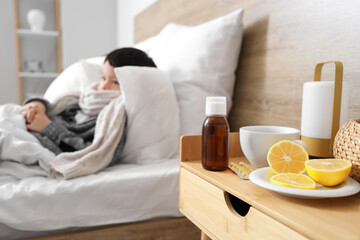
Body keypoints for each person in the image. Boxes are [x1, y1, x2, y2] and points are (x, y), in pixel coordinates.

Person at [21, 47, 157, 161]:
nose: (103, 87)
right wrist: (37, 104)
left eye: (114, 82)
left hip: (36, 139)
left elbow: (92, 154)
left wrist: (48, 128)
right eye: (103, 78)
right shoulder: (86, 98)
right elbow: (54, 106)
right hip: (26, 122)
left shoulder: (115, 118)